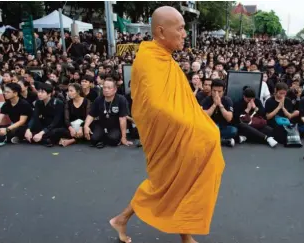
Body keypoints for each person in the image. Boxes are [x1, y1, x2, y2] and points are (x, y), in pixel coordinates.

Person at [109, 6, 225, 243]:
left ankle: (182, 233)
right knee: (165, 184)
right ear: (161, 31)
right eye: (180, 28)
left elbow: (182, 101)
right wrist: (194, 127)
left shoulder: (165, 59)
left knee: (184, 179)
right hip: (166, 136)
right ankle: (122, 219)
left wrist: (198, 122)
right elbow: (155, 106)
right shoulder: (149, 59)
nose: (184, 34)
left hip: (178, 133)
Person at [83, 78, 131, 148]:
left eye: (109, 88)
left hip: (115, 126)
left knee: (114, 140)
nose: (106, 90)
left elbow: (122, 119)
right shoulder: (99, 99)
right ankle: (103, 138)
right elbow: (91, 115)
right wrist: (86, 126)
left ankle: (105, 139)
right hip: (101, 124)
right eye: (104, 87)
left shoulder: (121, 99)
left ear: (115, 90)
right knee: (93, 140)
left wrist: (124, 137)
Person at [202, 79, 237, 147]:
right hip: (209, 126)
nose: (216, 94)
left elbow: (229, 118)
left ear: (223, 91)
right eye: (214, 91)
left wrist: (220, 105)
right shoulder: (206, 100)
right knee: (212, 129)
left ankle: (214, 140)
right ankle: (224, 141)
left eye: (219, 91)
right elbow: (204, 116)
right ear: (211, 90)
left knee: (233, 130)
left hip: (222, 127)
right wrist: (214, 105)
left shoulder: (227, 100)